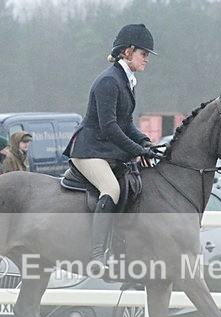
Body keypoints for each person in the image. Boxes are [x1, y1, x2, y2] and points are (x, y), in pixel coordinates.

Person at [62, 23, 158, 272]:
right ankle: (97, 255)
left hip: (105, 150)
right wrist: (137, 150)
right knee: (111, 188)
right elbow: (109, 128)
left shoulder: (126, 81)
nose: (147, 59)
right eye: (143, 54)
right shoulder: (109, 81)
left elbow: (126, 124)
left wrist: (145, 142)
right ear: (128, 51)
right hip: (90, 150)